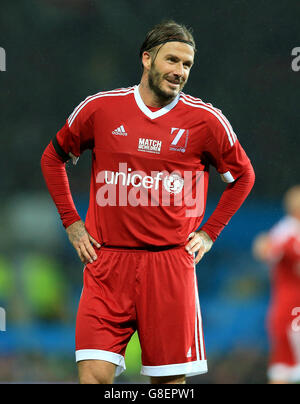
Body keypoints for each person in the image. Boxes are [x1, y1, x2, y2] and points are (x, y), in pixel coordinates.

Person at [41, 20, 255, 384]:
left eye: (187, 65)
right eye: (172, 60)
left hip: (169, 266)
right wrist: (71, 222)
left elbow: (243, 177)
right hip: (106, 263)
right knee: (92, 377)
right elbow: (52, 158)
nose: (179, 72)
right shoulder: (101, 109)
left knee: (169, 386)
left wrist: (209, 234)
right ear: (147, 59)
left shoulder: (206, 120)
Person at [253, 185, 300, 384]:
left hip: (288, 312)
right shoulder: (287, 232)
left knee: (282, 368)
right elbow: (263, 248)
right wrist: (267, 247)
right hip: (292, 313)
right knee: (283, 369)